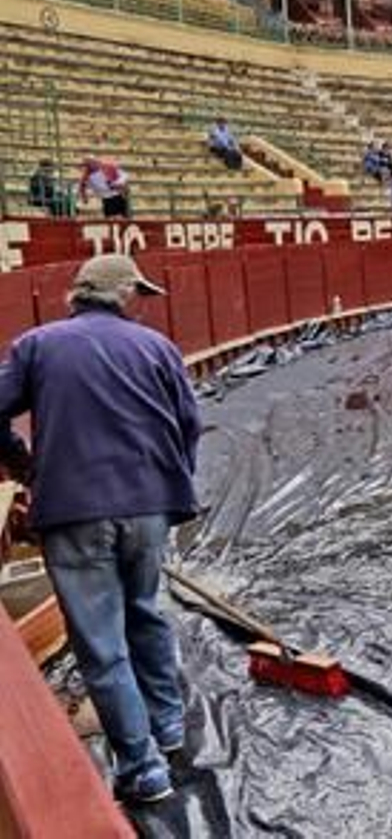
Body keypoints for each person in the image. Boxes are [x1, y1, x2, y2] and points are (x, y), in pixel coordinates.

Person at [0, 254, 200, 804]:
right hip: (148, 508)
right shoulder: (157, 347)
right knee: (145, 613)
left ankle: (143, 768)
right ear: (124, 295)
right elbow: (190, 425)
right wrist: (171, 489)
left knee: (101, 642)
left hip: (74, 510)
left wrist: (20, 461)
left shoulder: (37, 345)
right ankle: (169, 729)